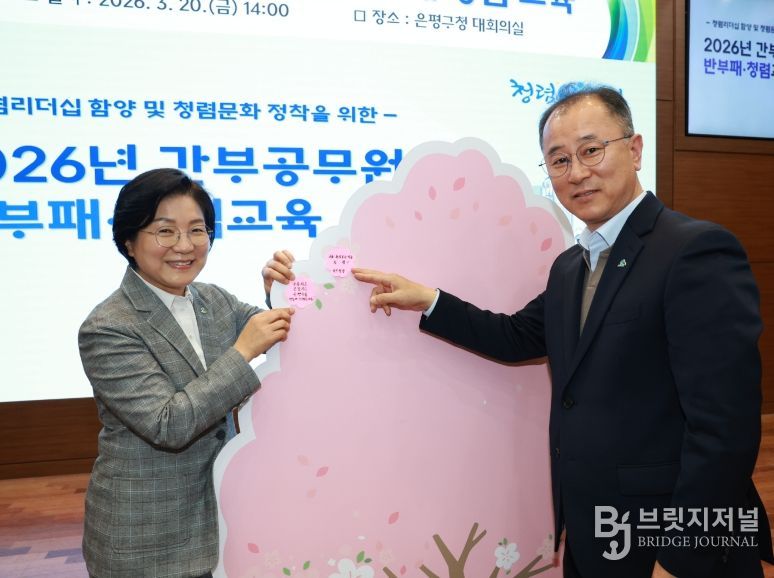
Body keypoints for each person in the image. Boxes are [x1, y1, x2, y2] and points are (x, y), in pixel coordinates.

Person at [342, 85, 773, 577]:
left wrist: (680, 558)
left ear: (634, 150)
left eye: (591, 150)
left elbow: (725, 428)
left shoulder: (694, 251)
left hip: (666, 542)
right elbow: (515, 336)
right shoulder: (571, 265)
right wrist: (429, 299)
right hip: (592, 532)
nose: (577, 173)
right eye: (559, 160)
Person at [79, 168, 294, 578]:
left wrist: (280, 294)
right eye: (165, 231)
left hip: (223, 523)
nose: (184, 245)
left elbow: (284, 334)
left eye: (197, 230)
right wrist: (242, 352)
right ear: (129, 241)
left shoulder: (213, 300)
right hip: (146, 538)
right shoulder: (108, 327)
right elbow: (168, 424)